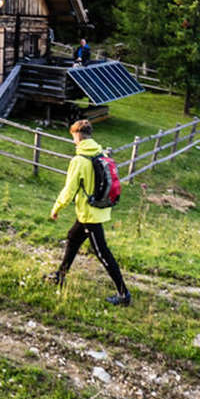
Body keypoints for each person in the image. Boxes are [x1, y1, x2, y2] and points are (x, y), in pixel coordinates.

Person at [47, 118, 130, 306]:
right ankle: (60, 275)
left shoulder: (79, 160)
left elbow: (69, 190)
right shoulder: (99, 153)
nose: (74, 141)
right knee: (73, 237)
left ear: (77, 135)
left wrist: (56, 208)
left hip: (89, 215)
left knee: (102, 253)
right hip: (98, 209)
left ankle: (124, 294)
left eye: (74, 137)